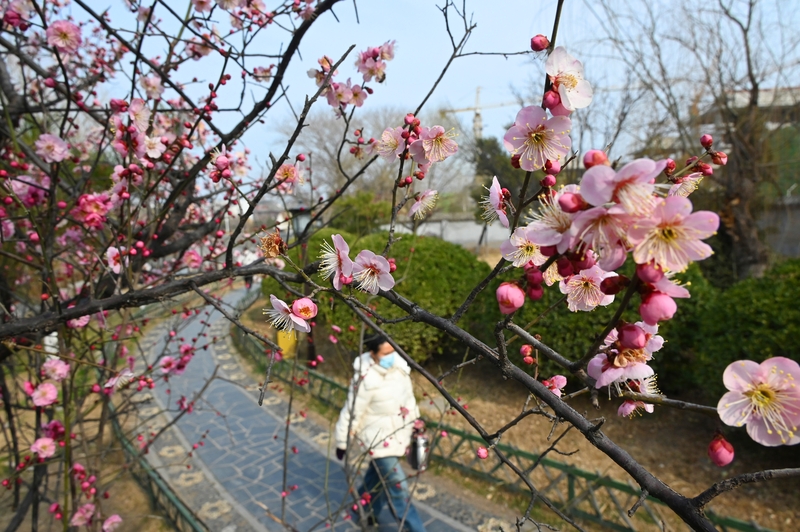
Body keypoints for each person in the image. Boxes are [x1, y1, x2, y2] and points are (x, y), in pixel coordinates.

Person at [334, 335, 426, 532]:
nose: (391, 356)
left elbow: (408, 400)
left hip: (398, 434)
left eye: (393, 352)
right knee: (397, 485)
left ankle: (363, 507)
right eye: (386, 354)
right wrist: (342, 441)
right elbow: (352, 411)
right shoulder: (364, 377)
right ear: (373, 353)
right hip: (376, 439)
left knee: (376, 477)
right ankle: (416, 528)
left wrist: (416, 422)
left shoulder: (400, 368)